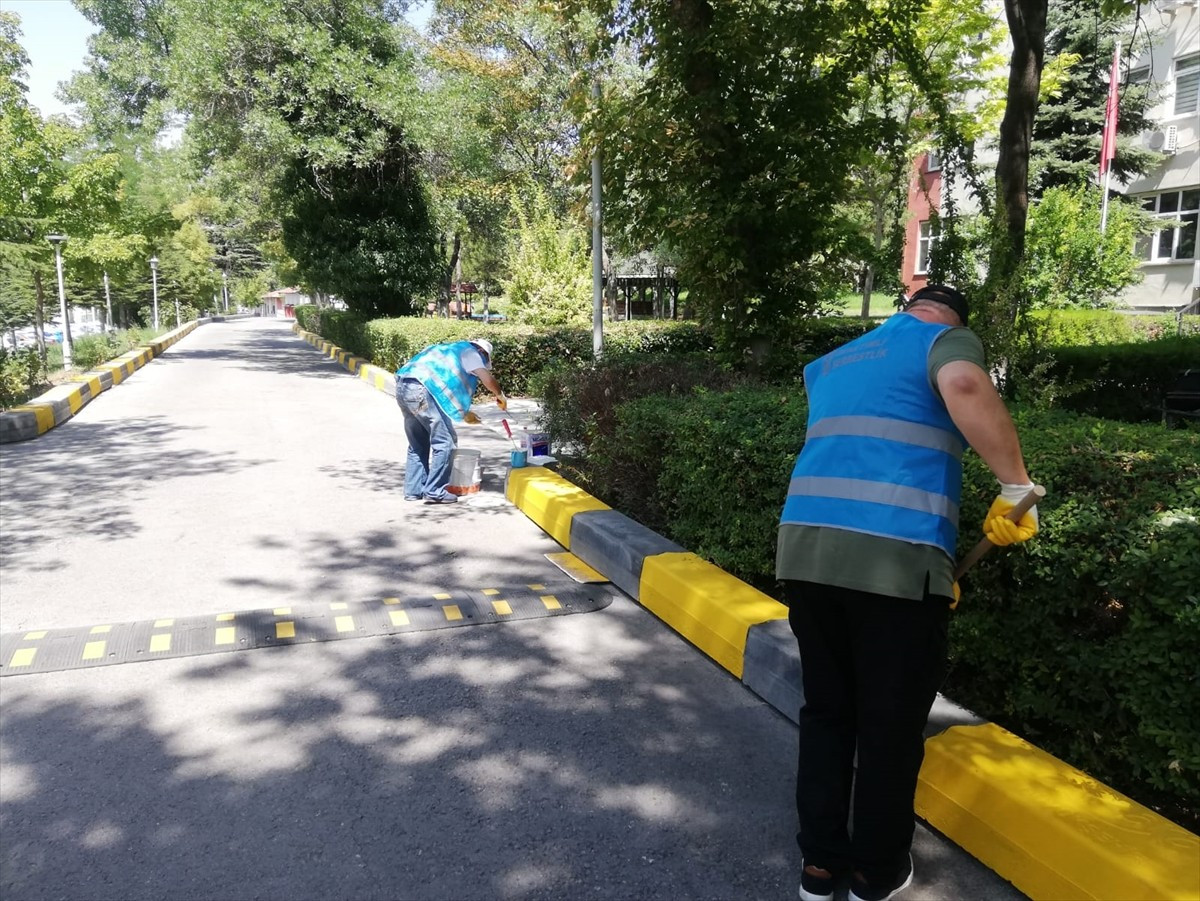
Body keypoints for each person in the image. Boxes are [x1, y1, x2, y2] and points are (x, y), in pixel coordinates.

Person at [777, 285, 1039, 901]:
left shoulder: (834, 360)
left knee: (827, 713)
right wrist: (1016, 487)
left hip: (807, 553)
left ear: (904, 310)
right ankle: (876, 870)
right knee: (889, 724)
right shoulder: (944, 339)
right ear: (953, 319)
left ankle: (819, 866)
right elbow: (968, 388)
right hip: (894, 559)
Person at [395, 338, 507, 505]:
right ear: (483, 353)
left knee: (418, 444)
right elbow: (488, 380)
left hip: (404, 387)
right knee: (445, 443)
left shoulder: (445, 349)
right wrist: (500, 395)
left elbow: (445, 388)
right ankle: (435, 490)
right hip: (423, 389)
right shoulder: (471, 352)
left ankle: (414, 490)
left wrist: (464, 413)